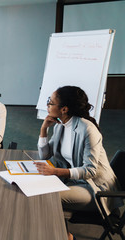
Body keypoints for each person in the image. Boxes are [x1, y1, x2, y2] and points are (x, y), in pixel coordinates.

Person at [35, 86, 121, 240]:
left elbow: (90, 171)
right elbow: (46, 156)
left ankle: (65, 236)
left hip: (95, 188)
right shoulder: (61, 126)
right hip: (76, 181)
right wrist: (43, 130)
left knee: (49, 197)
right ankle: (62, 235)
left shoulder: (87, 129)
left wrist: (55, 172)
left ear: (64, 109)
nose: (47, 105)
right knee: (40, 188)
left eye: (51, 102)